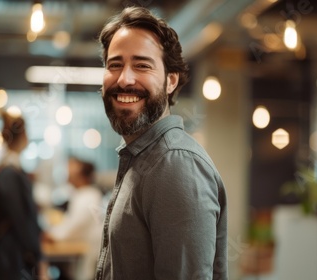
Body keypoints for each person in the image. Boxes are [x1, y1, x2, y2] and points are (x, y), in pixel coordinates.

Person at [95, 7, 228, 279]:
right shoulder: (143, 157)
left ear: (171, 81)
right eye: (115, 64)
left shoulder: (175, 164)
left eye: (142, 65)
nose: (124, 79)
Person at [0, 110, 46, 280]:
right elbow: (20, 218)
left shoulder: (6, 169)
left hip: (9, 255)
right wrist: (38, 255)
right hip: (12, 258)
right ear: (24, 135)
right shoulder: (10, 173)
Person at [47, 157, 103, 280]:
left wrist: (53, 235)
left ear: (82, 175)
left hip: (89, 256)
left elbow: (74, 226)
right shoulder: (81, 194)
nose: (68, 172)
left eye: (73, 169)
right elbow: (68, 223)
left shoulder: (89, 197)